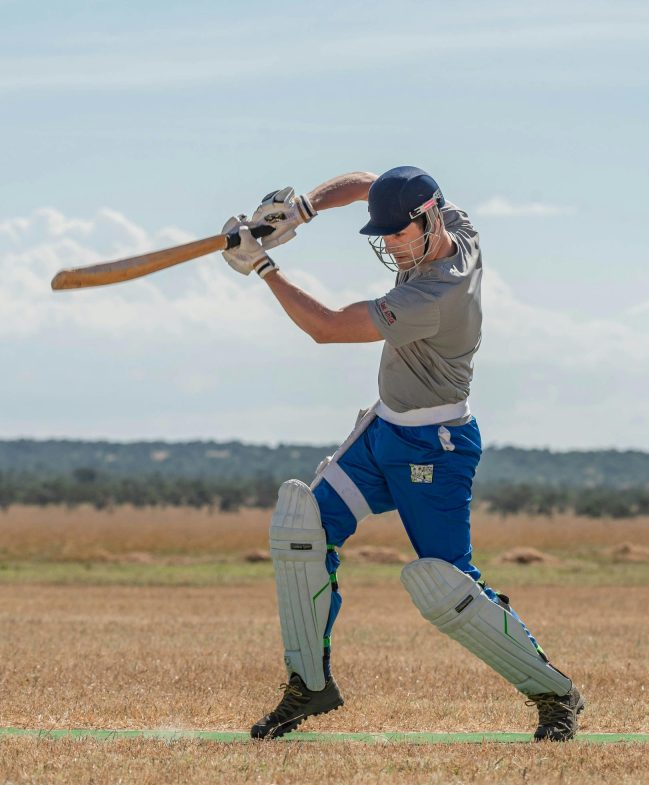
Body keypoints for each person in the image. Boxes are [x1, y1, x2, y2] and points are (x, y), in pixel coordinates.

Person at [220, 167, 584, 742]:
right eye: (383, 235)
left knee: (446, 584)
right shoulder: (453, 221)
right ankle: (308, 686)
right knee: (302, 527)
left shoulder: (433, 295)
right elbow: (374, 181)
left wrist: (263, 268)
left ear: (428, 219)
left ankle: (555, 693)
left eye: (397, 234)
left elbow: (327, 328)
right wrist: (302, 209)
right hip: (383, 431)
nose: (390, 244)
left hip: (436, 450)